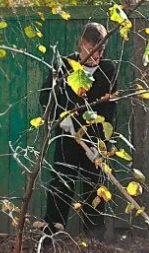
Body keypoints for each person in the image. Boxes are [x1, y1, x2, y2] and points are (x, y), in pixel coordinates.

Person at [39, 22, 119, 237]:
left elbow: (109, 108)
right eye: (94, 49)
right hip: (67, 137)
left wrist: (101, 144)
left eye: (102, 50)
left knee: (95, 186)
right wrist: (60, 116)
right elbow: (46, 97)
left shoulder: (108, 69)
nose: (98, 55)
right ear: (83, 43)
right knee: (61, 183)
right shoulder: (65, 65)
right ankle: (52, 233)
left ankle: (93, 240)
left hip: (94, 139)